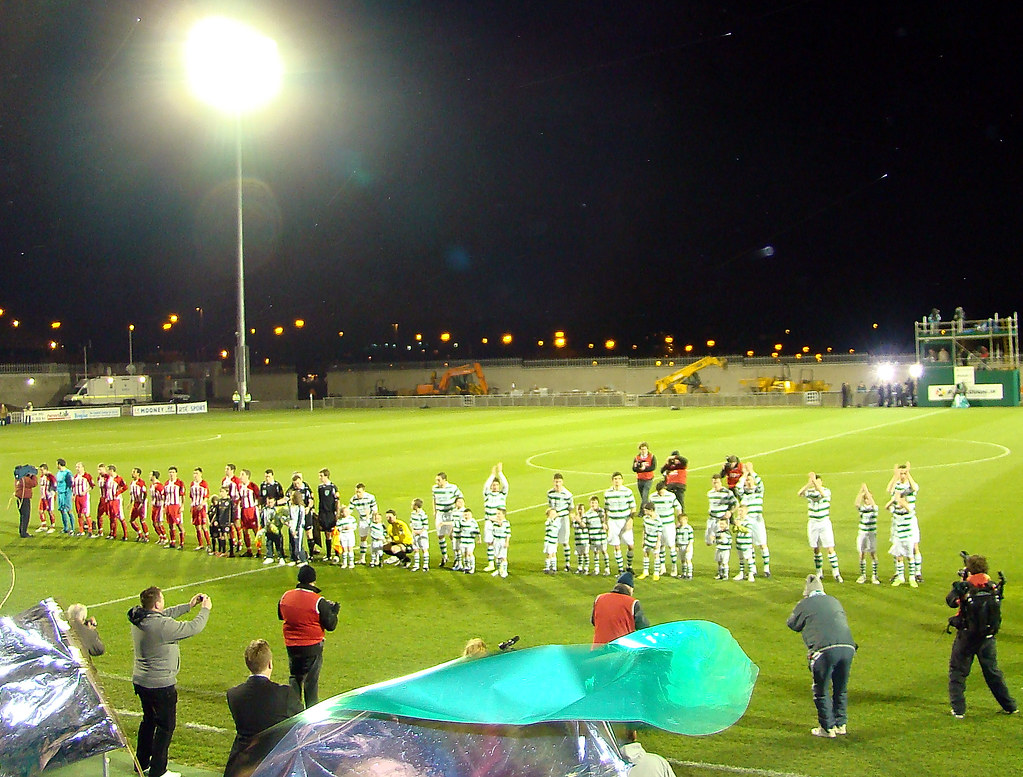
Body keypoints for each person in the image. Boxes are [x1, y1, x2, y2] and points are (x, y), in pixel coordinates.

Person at [128, 586, 212, 777]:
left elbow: (163, 615)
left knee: (148, 722)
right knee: (165, 727)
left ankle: (141, 763)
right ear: (157, 603)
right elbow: (193, 627)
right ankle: (158, 771)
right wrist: (205, 610)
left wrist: (188, 606)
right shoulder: (161, 626)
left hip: (141, 681)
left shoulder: (140, 619)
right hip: (160, 685)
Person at [946, 555, 1017, 718]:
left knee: (958, 672)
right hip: (987, 637)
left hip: (967, 637)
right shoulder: (992, 585)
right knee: (992, 672)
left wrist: (961, 584)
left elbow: (951, 601)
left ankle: (958, 710)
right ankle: (1010, 706)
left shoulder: (966, 586)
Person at [786, 574, 856, 738]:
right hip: (848, 648)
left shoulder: (805, 603)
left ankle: (827, 728)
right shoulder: (834, 600)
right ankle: (841, 724)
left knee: (821, 689)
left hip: (824, 650)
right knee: (840, 688)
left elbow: (792, 624)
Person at [225, 639, 302, 777]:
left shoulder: (233, 694)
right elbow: (302, 722)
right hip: (275, 766)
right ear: (270, 664)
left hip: (241, 767)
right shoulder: (285, 694)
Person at [278, 565, 339, 708]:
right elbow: (331, 625)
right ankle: (311, 713)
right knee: (311, 682)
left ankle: (294, 712)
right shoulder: (318, 601)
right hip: (312, 646)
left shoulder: (286, 596)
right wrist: (334, 612)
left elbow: (281, 615)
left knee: (295, 678)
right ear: (313, 580)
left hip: (291, 646)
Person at [797, 472, 842, 583]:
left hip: (824, 523)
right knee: (816, 548)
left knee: (830, 548)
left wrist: (814, 482)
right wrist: (809, 484)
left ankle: (836, 573)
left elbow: (822, 493)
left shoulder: (826, 491)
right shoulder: (810, 492)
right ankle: (819, 572)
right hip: (813, 523)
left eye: (818, 481)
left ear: (821, 482)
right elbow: (799, 493)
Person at [591, 570, 650, 646]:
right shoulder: (632, 603)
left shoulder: (599, 598)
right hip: (621, 649)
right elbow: (643, 626)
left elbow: (593, 621)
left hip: (598, 648)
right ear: (630, 588)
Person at [604, 471, 636, 574]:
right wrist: (605, 522)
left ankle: (629, 566)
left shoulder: (628, 492)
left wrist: (631, 519)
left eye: (619, 479)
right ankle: (620, 569)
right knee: (616, 545)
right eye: (615, 479)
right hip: (613, 521)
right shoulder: (608, 493)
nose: (617, 481)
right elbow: (606, 509)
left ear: (622, 480)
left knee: (630, 545)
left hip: (625, 521)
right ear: (612, 481)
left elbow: (633, 507)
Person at [482, 463, 508, 572]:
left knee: (500, 543)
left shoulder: (502, 494)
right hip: (489, 521)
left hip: (499, 522)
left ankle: (501, 563)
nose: (495, 486)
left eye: (497, 485)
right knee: (490, 542)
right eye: (493, 485)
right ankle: (491, 564)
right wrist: (492, 475)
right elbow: (485, 486)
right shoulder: (487, 495)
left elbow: (506, 485)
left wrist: (500, 473)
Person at [432, 472, 462, 568]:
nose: (437, 482)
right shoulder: (435, 488)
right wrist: (434, 511)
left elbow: (460, 497)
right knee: (440, 535)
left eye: (439, 480)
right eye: (436, 480)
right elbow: (434, 500)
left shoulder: (452, 487)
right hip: (440, 514)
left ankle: (457, 557)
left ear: (444, 480)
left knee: (452, 535)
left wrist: (459, 509)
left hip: (450, 513)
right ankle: (444, 556)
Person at [546, 473, 575, 572]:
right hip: (554, 520)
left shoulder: (567, 494)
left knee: (565, 542)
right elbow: (550, 506)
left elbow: (570, 509)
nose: (557, 484)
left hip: (563, 519)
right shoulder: (550, 493)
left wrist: (559, 514)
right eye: (556, 482)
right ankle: (552, 564)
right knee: (553, 542)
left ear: (562, 482)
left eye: (559, 482)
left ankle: (567, 563)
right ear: (553, 482)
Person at [853, 484, 880, 585]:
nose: (867, 500)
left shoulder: (874, 509)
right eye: (866, 498)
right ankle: (862, 575)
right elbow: (856, 503)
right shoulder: (862, 509)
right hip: (862, 533)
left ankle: (874, 575)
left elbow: (873, 504)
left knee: (873, 554)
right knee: (862, 554)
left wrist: (867, 491)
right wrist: (861, 492)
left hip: (871, 534)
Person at [349, 482, 378, 565]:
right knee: (363, 538)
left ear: (363, 491)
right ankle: (362, 558)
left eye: (359, 492)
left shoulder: (370, 497)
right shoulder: (354, 499)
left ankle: (376, 559)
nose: (358, 494)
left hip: (371, 519)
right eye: (356, 492)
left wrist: (375, 521)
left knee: (375, 539)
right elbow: (349, 510)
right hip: (362, 520)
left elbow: (375, 510)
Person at [14, 464, 38, 538]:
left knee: (22, 515)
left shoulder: (17, 478)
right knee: (26, 516)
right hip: (24, 499)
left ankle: (21, 531)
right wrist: (33, 475)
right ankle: (24, 533)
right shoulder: (25, 479)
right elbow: (34, 483)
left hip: (19, 498)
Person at [631, 442, 657, 508]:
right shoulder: (637, 458)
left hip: (648, 479)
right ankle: (648, 508)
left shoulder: (652, 457)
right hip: (640, 479)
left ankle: (642, 511)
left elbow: (653, 467)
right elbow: (634, 469)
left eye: (644, 449)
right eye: (642, 449)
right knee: (643, 496)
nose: (643, 451)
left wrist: (644, 469)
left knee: (645, 495)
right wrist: (638, 468)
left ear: (647, 449)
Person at [408, 498, 430, 572]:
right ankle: (416, 565)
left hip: (422, 534)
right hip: (415, 533)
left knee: (424, 549)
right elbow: (411, 523)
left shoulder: (423, 514)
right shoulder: (412, 514)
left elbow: (426, 525)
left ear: (416, 506)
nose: (411, 505)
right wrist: (413, 530)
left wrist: (420, 531)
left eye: (412, 504)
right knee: (416, 549)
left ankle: (425, 566)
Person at [55, 458, 75, 534]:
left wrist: (71, 494)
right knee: (62, 510)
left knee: (69, 510)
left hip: (66, 494)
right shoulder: (58, 473)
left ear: (59, 464)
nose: (56, 465)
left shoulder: (68, 473)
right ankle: (65, 527)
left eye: (57, 464)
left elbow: (70, 484)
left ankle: (72, 528)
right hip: (60, 494)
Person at [35, 463, 57, 533]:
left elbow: (55, 484)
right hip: (43, 497)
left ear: (46, 470)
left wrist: (53, 493)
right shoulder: (42, 477)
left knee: (50, 511)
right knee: (40, 511)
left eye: (42, 470)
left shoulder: (50, 477)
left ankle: (52, 526)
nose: (41, 472)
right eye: (40, 470)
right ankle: (43, 525)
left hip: (49, 497)